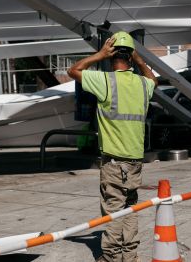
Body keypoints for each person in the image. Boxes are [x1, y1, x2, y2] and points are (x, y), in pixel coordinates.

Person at [67, 31, 158, 262]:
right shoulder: (142, 83)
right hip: (136, 161)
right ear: (131, 56)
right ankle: (130, 256)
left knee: (113, 211)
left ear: (111, 55)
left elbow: (73, 71)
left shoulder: (106, 81)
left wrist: (98, 55)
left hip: (114, 162)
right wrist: (140, 61)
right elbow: (153, 80)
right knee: (130, 209)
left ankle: (111, 258)